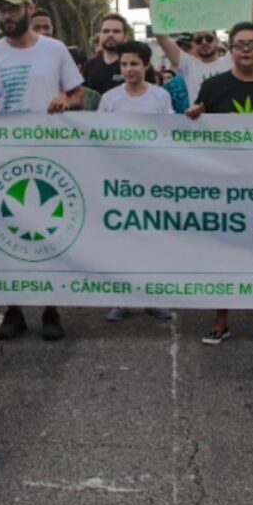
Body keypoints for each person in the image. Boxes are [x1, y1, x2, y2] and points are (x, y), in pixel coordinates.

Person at [0, 0, 83, 341]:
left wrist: (65, 100)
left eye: (13, 9)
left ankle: (51, 309)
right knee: (9, 232)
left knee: (50, 230)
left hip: (53, 154)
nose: (7, 16)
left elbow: (78, 94)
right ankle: (14, 309)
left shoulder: (54, 51)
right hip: (8, 159)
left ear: (29, 8)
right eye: (2, 10)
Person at [186, 21, 253, 345]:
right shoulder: (213, 87)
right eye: (239, 44)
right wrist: (193, 116)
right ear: (230, 50)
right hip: (225, 184)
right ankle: (221, 319)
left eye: (252, 44)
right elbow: (199, 130)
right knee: (223, 252)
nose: (245, 49)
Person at [98, 41, 173, 323]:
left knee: (152, 238)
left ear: (146, 65)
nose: (129, 69)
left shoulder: (160, 97)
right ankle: (122, 299)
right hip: (119, 180)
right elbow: (99, 136)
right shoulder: (110, 99)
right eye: (124, 64)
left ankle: (153, 298)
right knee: (122, 238)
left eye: (134, 64)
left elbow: (169, 134)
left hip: (153, 179)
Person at [144, 0, 232, 104]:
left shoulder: (230, 61)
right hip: (199, 121)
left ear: (217, 41)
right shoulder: (188, 64)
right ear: (193, 44)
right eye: (199, 40)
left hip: (228, 120)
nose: (204, 42)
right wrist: (152, 6)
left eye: (209, 39)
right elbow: (162, 39)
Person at [83, 13, 157, 94]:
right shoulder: (89, 66)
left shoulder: (139, 66)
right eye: (106, 31)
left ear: (125, 36)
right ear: (100, 35)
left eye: (116, 31)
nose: (110, 35)